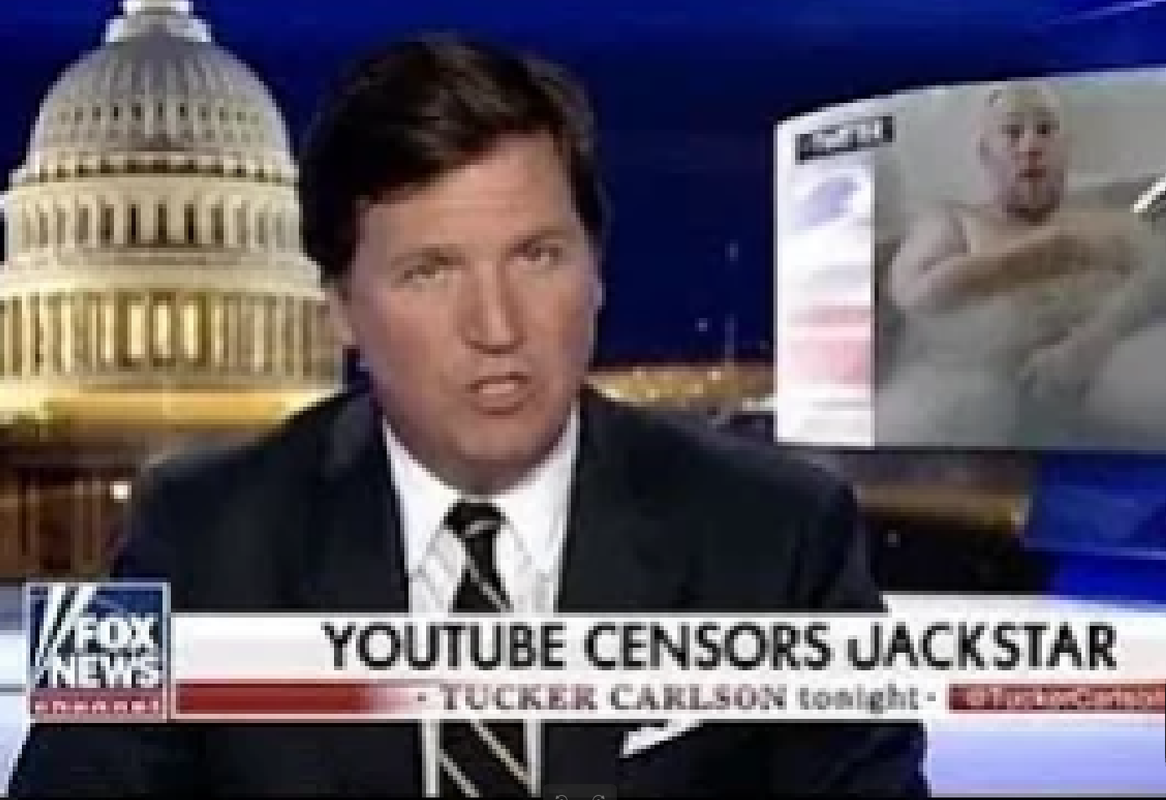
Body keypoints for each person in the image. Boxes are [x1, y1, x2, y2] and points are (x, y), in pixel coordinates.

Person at [9, 36, 927, 797]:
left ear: (597, 270)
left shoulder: (780, 535)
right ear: (340, 308)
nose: (497, 327)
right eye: (430, 271)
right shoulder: (187, 532)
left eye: (537, 256)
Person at [877, 80, 1166, 448]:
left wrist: (1091, 342)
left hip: (1107, 389)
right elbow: (911, 292)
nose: (1030, 146)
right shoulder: (954, 221)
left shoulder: (1108, 222)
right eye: (1012, 132)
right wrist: (1039, 254)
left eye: (1045, 130)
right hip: (971, 399)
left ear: (1066, 147)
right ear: (985, 152)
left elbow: (1160, 273)